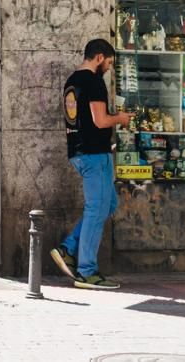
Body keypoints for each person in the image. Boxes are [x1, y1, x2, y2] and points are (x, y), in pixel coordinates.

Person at [50, 39, 130, 290]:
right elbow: (100, 120)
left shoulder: (72, 81)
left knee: (108, 204)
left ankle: (68, 249)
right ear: (99, 57)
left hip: (80, 152)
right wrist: (122, 118)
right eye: (108, 62)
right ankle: (86, 271)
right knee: (97, 208)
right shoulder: (94, 81)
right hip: (94, 154)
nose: (108, 67)